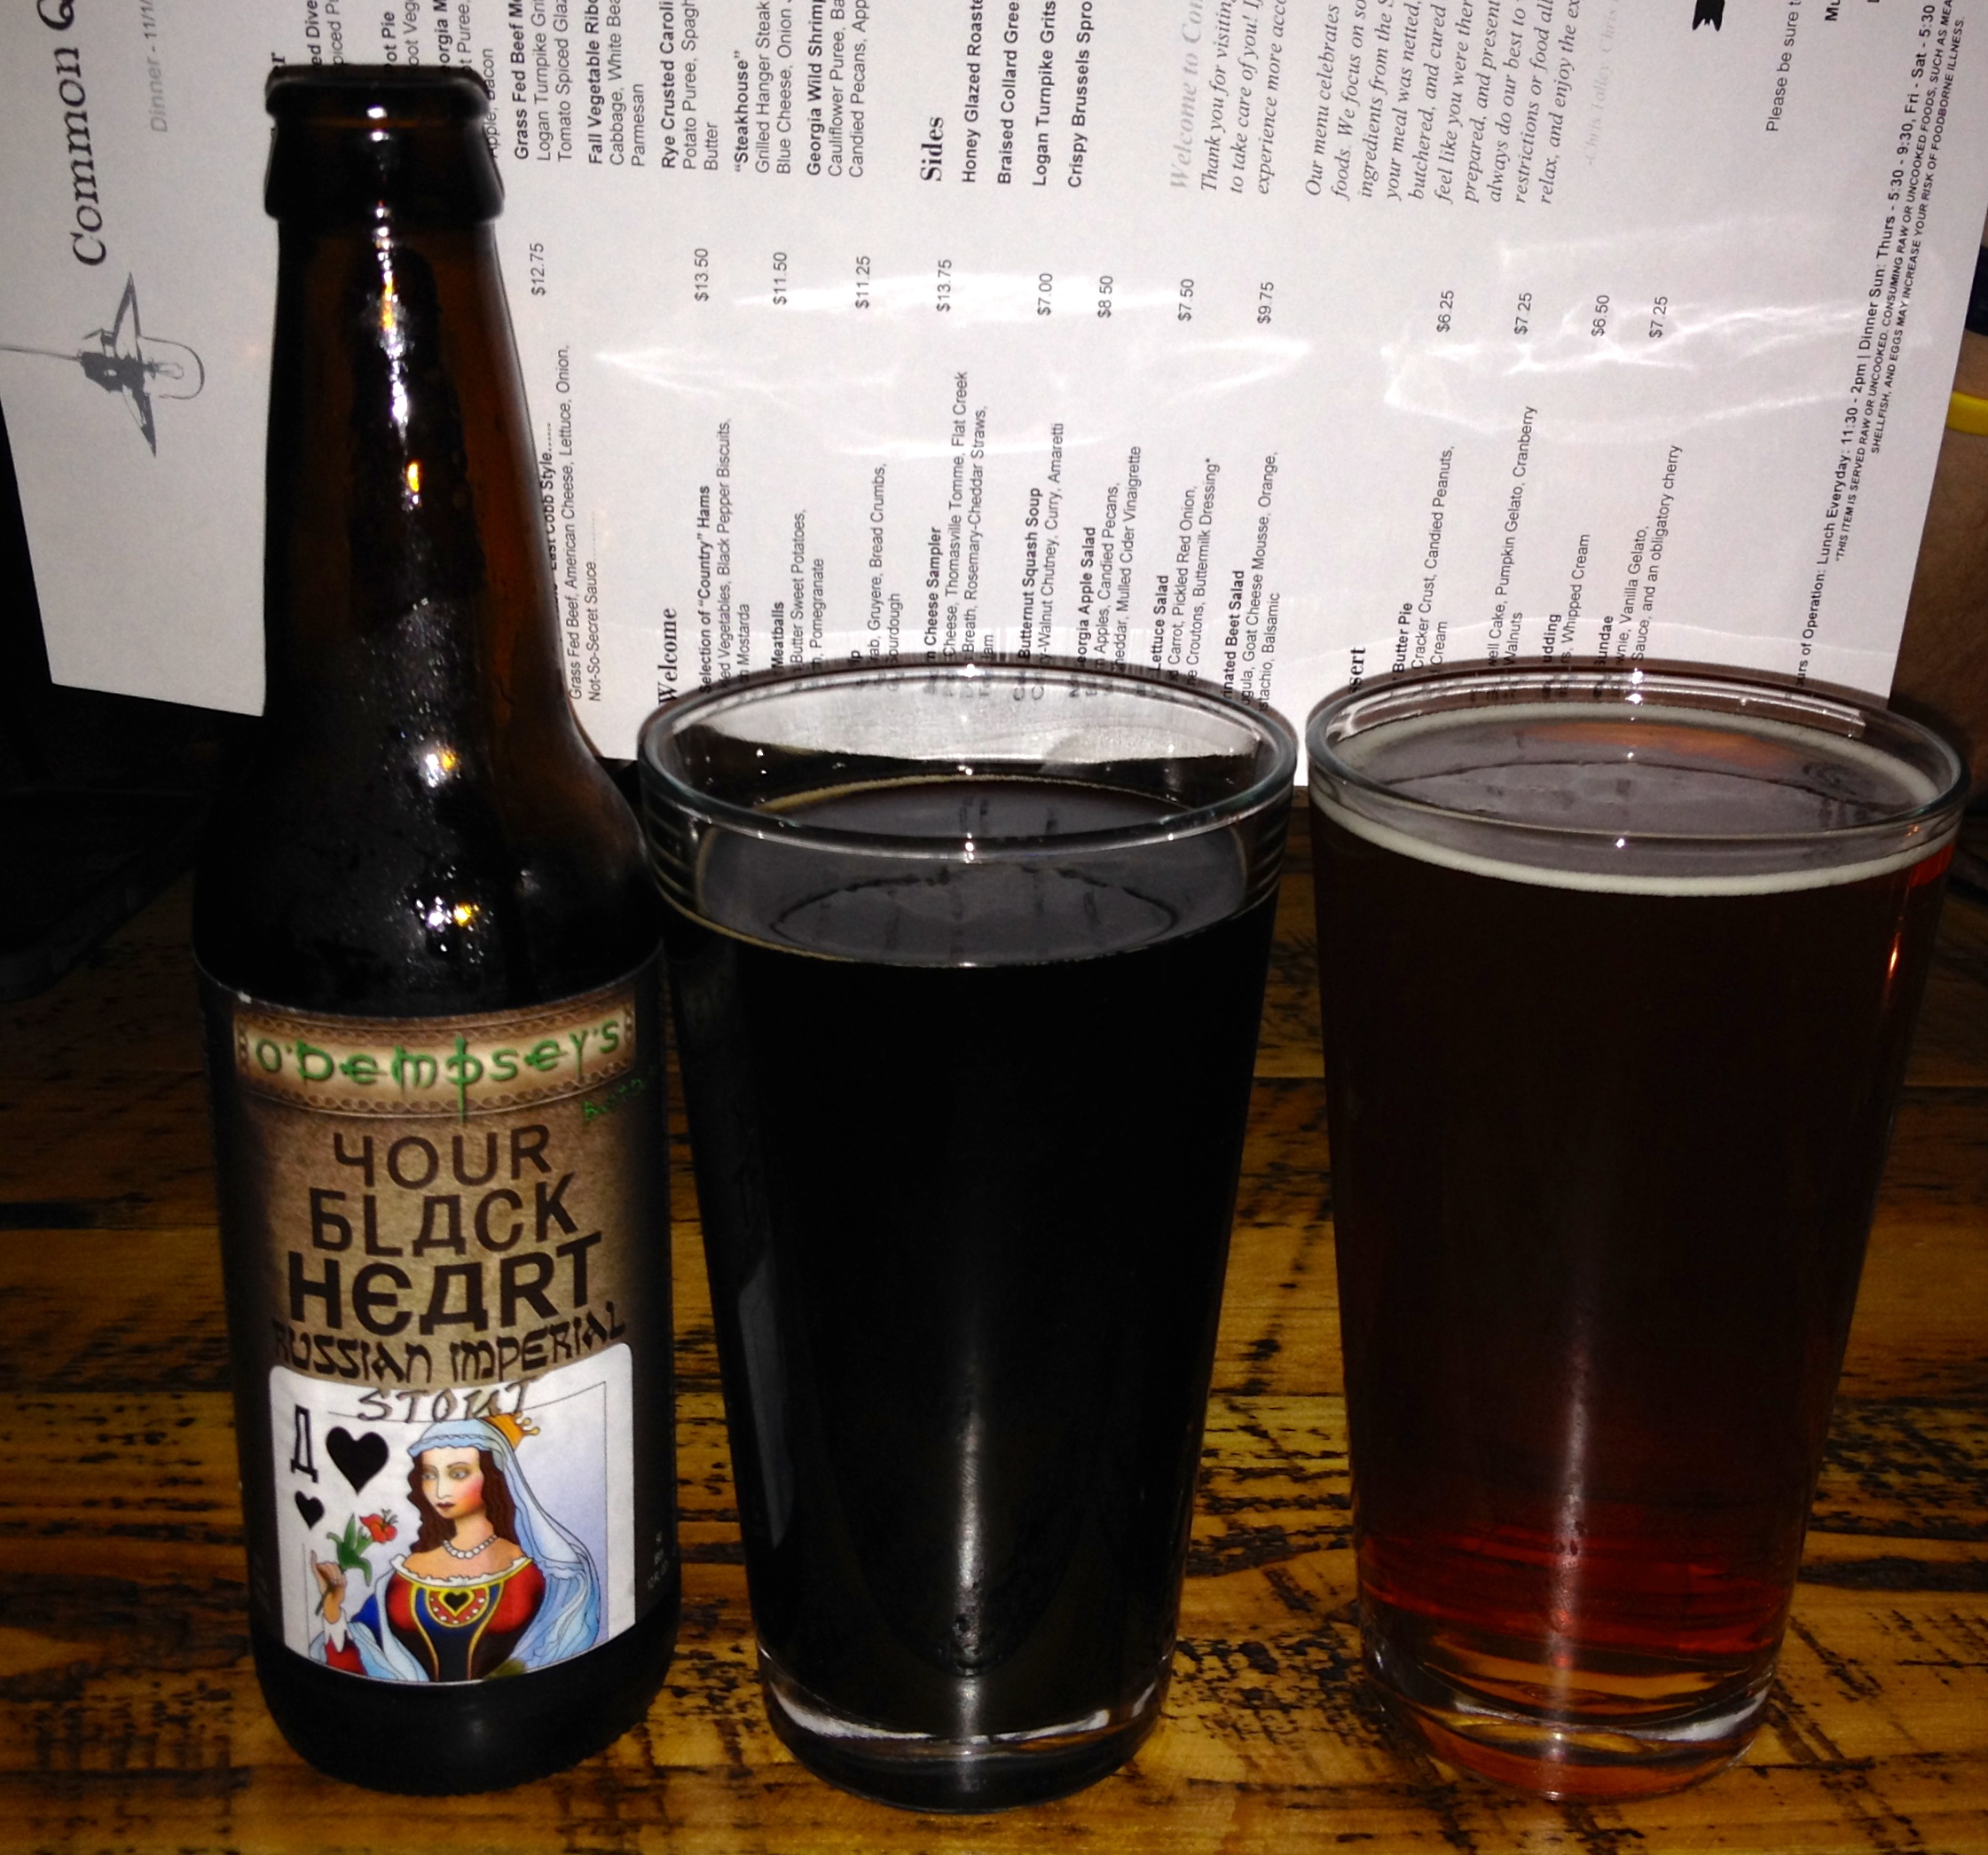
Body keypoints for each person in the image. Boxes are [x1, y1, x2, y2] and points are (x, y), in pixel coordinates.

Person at [309, 1411, 601, 1683]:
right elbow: (360, 1657)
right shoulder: (403, 1576)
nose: (440, 1491)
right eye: (429, 1475)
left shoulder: (542, 1575)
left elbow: (561, 1649)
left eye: (458, 1473)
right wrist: (333, 1610)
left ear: (493, 1475)